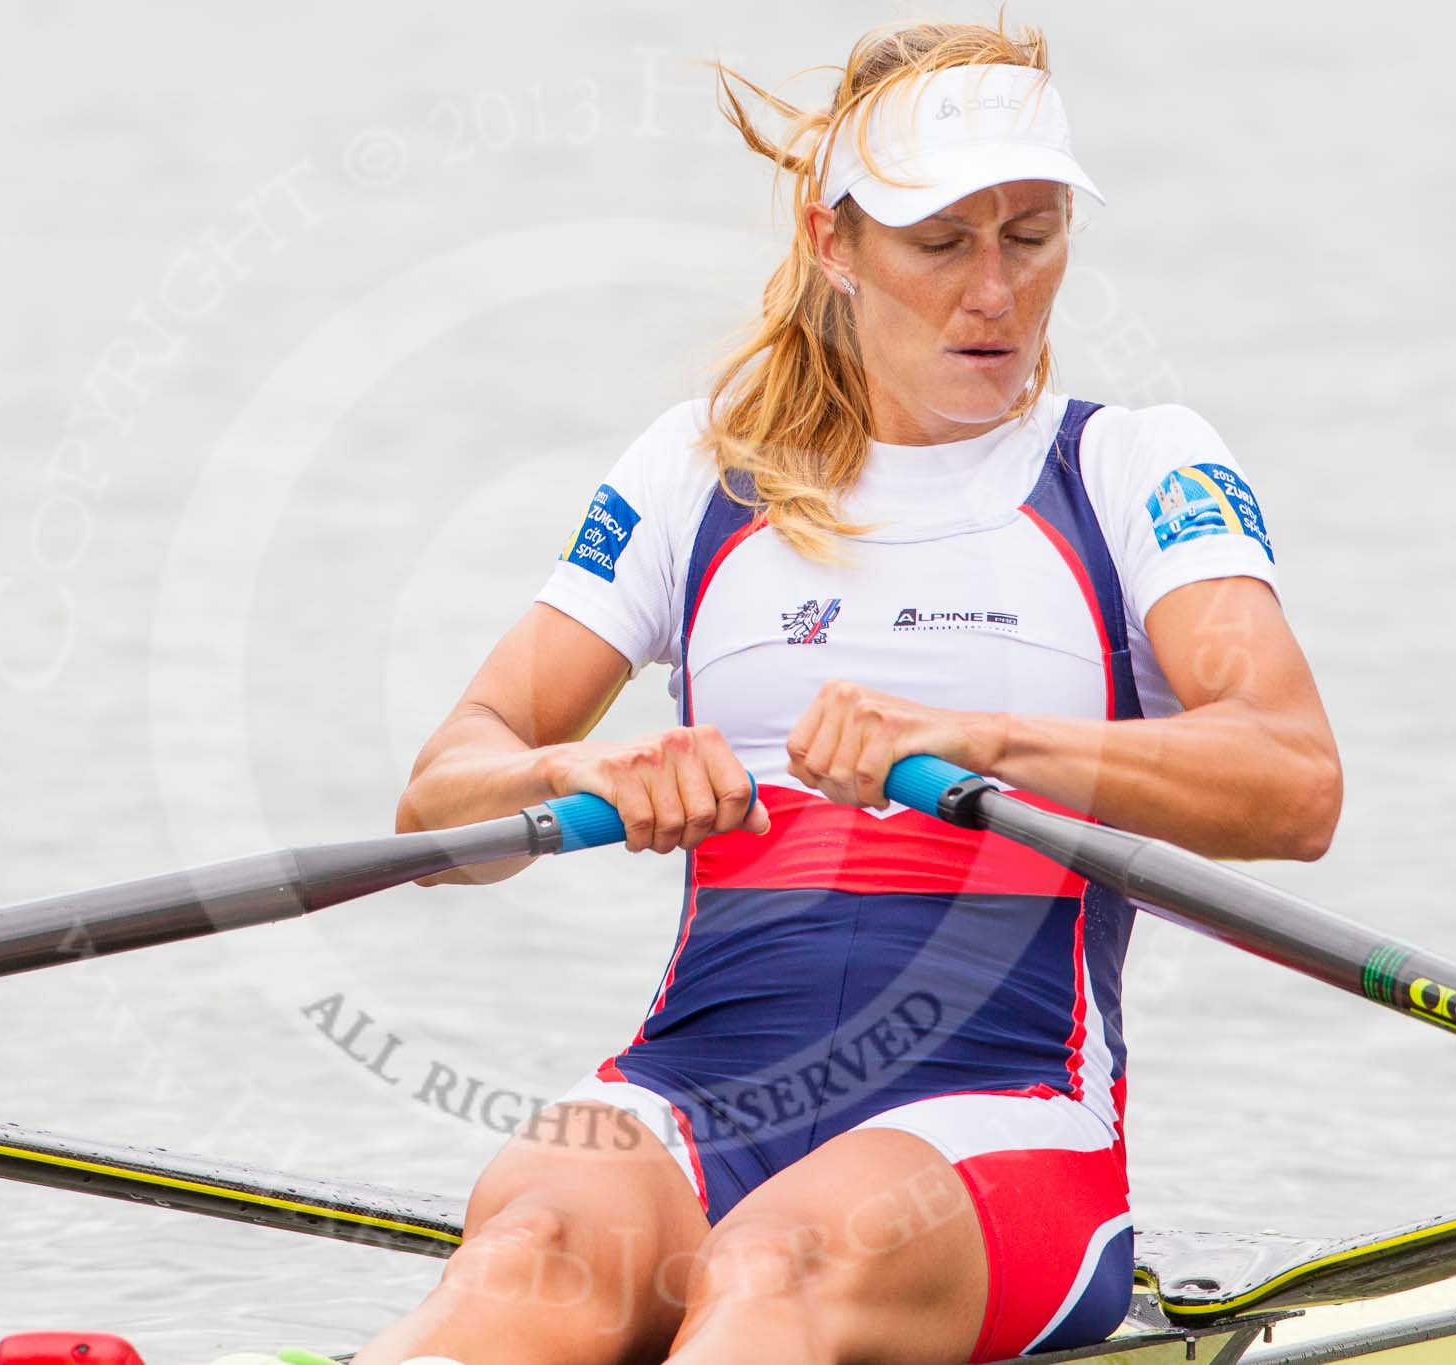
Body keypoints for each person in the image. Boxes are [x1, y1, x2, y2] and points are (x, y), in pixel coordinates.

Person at [360, 20, 1341, 1365]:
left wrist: (984, 740)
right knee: (533, 1243)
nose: (992, 291)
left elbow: (1291, 781)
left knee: (777, 1261)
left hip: (999, 1112)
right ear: (838, 243)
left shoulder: (1131, 471)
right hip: (690, 1090)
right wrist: (569, 773)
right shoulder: (697, 475)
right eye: (943, 244)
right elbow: (440, 799)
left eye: (1033, 234)